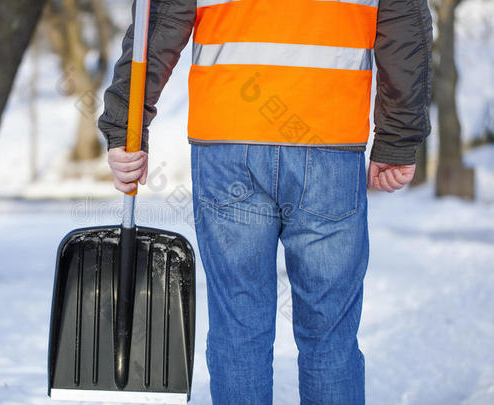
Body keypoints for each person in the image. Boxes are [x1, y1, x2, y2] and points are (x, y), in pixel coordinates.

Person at [98, 0, 432, 403]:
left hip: (228, 139)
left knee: (239, 323)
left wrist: (126, 125)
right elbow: (404, 26)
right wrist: (398, 137)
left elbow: (161, 17)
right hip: (328, 138)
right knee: (330, 331)